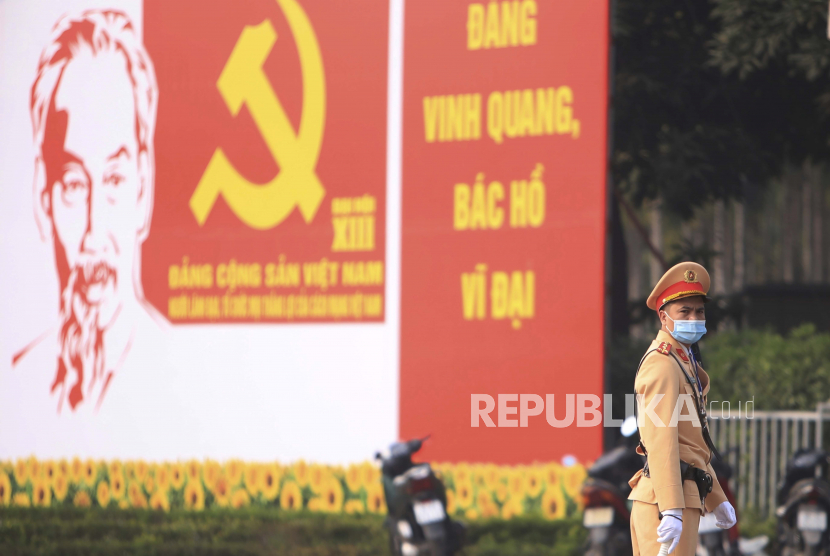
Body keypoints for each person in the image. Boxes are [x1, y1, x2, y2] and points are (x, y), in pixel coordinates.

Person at [12, 9, 165, 413]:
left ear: (143, 192)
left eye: (114, 180)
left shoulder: (179, 376)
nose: (94, 234)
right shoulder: (14, 388)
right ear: (43, 199)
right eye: (75, 185)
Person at [628, 262, 737, 555]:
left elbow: (691, 445)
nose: (694, 318)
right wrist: (671, 507)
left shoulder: (683, 361)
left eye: (699, 311)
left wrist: (718, 499)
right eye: (684, 312)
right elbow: (661, 440)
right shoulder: (663, 364)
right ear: (664, 318)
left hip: (682, 498)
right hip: (666, 505)